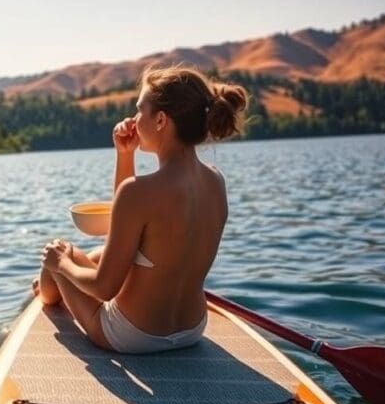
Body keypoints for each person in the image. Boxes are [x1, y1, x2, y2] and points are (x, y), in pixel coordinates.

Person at [33, 65, 248, 353]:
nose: (134, 119)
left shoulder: (138, 192)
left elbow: (104, 288)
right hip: (192, 329)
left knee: (60, 253)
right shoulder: (215, 180)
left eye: (139, 109)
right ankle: (55, 280)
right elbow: (130, 228)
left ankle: (45, 288)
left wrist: (62, 264)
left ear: (160, 120)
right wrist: (125, 154)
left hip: (134, 335)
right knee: (97, 254)